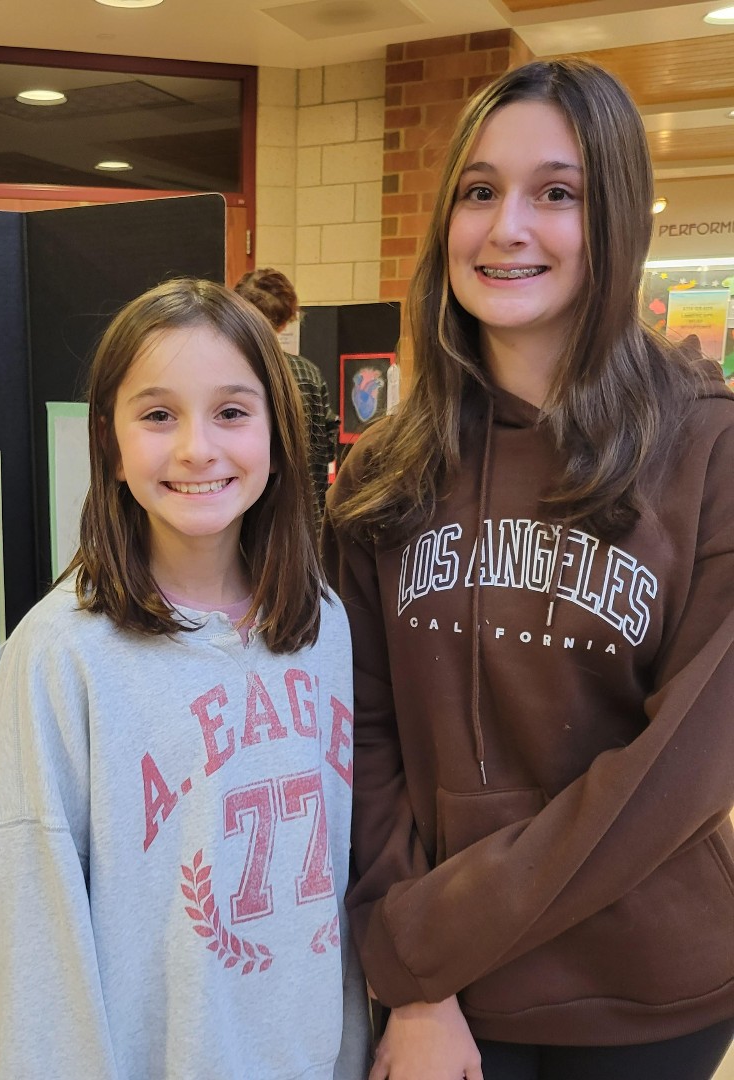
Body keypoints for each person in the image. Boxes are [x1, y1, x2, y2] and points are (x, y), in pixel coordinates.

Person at [323, 58, 734, 1080]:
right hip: (445, 1004)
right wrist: (415, 985)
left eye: (557, 193)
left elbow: (678, 773)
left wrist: (423, 950)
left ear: (619, 221)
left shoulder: (710, 452)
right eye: (478, 191)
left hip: (648, 990)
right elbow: (359, 737)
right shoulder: (384, 475)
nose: (507, 227)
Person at [0, 278, 368, 1079]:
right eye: (157, 415)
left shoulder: (323, 622)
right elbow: (30, 935)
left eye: (230, 411)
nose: (196, 448)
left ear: (279, 436)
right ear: (111, 448)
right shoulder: (59, 655)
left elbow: (333, 874)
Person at [236, 267, 338, 526]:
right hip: (306, 518)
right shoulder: (309, 373)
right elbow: (328, 446)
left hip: (248, 521)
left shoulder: (231, 373)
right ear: (284, 321)